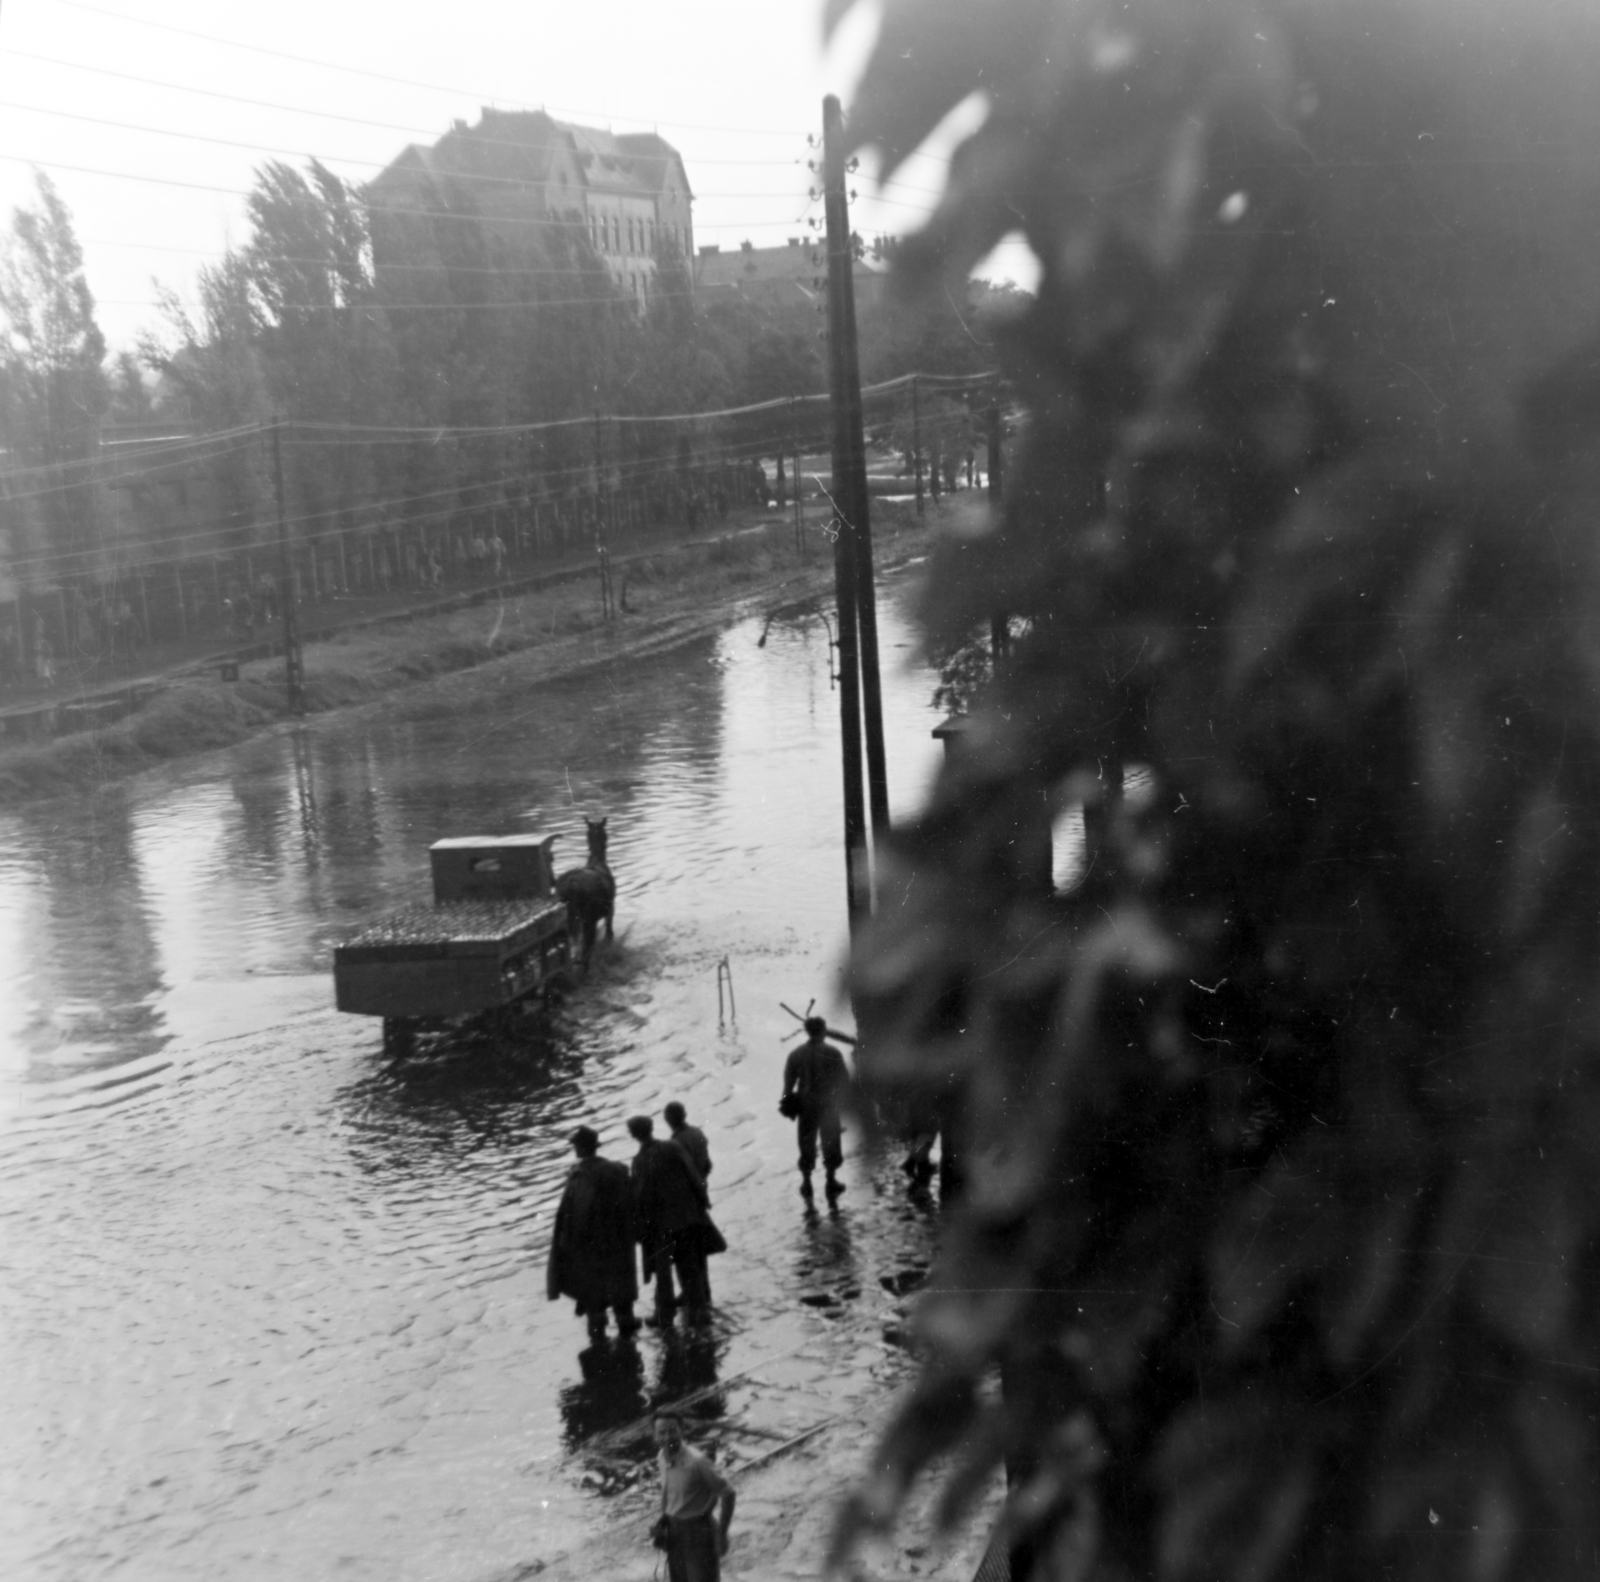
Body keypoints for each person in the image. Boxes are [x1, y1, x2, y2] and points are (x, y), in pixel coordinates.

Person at [546, 1126, 641, 1343]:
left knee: (593, 1290)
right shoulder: (617, 1169)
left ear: (581, 1148)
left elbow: (577, 1215)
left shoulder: (580, 1177)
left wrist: (568, 1246)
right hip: (618, 1239)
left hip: (592, 1244)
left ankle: (598, 1336)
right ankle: (626, 1326)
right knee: (621, 1282)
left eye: (576, 1146)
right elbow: (632, 1202)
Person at [627, 1115, 711, 1327]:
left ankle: (665, 1315)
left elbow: (639, 1197)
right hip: (685, 1217)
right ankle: (700, 1311)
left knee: (663, 1272)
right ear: (652, 1128)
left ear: (633, 1135)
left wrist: (639, 1228)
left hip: (660, 1225)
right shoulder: (672, 1147)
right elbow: (692, 1174)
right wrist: (703, 1201)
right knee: (690, 1266)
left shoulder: (639, 1161)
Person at [654, 1409, 735, 1582]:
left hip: (700, 1533)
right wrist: (664, 1519)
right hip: (675, 1534)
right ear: (655, 1436)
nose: (667, 1437)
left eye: (672, 1431)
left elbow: (728, 1493)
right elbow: (670, 1494)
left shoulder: (697, 1462)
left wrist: (722, 1533)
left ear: (681, 1431)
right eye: (662, 1432)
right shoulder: (662, 1457)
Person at [781, 1017, 851, 1199]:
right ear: (823, 1030)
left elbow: (788, 1085)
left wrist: (788, 1102)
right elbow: (843, 1080)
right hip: (828, 1104)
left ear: (806, 1031)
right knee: (831, 1142)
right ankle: (830, 1181)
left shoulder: (795, 1054)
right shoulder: (833, 1052)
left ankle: (807, 1182)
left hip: (805, 1105)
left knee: (806, 1142)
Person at [663, 1101, 711, 1182]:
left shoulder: (675, 1143)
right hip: (702, 1181)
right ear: (685, 1115)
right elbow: (708, 1165)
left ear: (667, 1119)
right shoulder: (697, 1132)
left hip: (690, 1187)